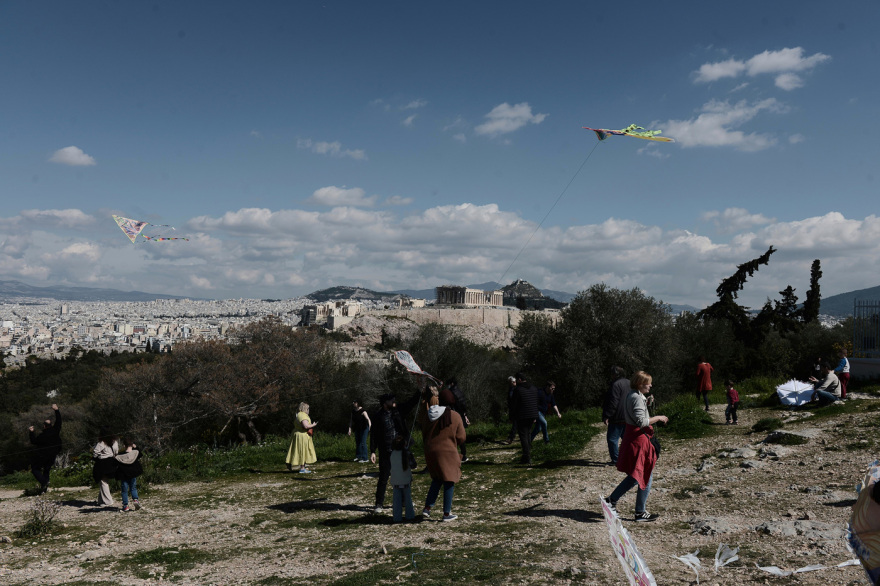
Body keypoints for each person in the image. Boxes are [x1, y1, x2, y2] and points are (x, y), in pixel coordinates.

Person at [604, 371, 668, 522]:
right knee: (645, 473)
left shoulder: (634, 395)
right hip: (638, 441)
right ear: (640, 384)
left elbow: (636, 413)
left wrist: (645, 403)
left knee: (635, 475)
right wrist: (659, 417)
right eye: (648, 383)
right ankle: (640, 512)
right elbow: (642, 422)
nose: (650, 385)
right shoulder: (635, 397)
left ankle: (611, 500)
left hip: (634, 438)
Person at [370, 390, 420, 514]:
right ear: (384, 402)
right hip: (385, 451)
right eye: (391, 399)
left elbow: (410, 404)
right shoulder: (378, 416)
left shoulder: (398, 411)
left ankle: (404, 501)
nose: (393, 401)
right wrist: (372, 451)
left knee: (404, 476)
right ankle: (379, 504)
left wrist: (419, 392)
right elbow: (374, 435)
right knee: (383, 477)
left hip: (400, 451)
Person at [422, 396, 466, 521]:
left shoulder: (427, 415)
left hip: (430, 451)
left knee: (437, 479)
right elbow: (462, 437)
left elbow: (423, 433)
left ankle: (427, 508)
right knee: (449, 480)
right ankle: (446, 514)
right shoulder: (454, 415)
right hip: (447, 451)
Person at [28, 403, 62, 494]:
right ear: (51, 425)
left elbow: (34, 441)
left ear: (44, 426)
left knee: (35, 469)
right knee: (46, 470)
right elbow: (59, 421)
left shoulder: (42, 436)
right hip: (53, 455)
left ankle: (44, 482)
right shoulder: (55, 431)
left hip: (42, 456)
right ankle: (44, 488)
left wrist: (31, 432)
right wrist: (56, 410)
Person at [602, 367, 629, 465]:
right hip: (628, 416)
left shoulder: (615, 385)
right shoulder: (630, 383)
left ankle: (616, 460)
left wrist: (607, 415)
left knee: (612, 439)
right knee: (627, 439)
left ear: (615, 374)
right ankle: (629, 457)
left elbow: (613, 402)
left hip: (617, 417)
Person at [439, 378, 470, 462]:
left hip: (456, 414)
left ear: (451, 383)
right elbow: (463, 404)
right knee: (460, 435)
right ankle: (463, 454)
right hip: (460, 414)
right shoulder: (458, 391)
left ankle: (460, 455)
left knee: (455, 435)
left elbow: (457, 404)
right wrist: (464, 414)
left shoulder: (452, 392)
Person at [511, 372, 539, 465]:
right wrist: (535, 415)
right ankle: (527, 455)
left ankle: (526, 457)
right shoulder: (534, 388)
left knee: (523, 436)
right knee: (528, 434)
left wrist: (512, 416)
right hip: (532, 415)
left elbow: (514, 404)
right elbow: (536, 402)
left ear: (519, 379)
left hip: (522, 415)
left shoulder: (518, 390)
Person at [286, 402, 318, 473]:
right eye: (308, 408)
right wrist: (313, 425)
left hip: (299, 434)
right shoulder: (302, 415)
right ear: (305, 408)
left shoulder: (299, 414)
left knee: (297, 450)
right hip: (302, 435)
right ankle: (302, 468)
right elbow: (306, 426)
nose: (308, 410)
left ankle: (291, 463)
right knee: (302, 450)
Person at [389, 435, 415, 523]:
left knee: (396, 501)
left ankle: (396, 517)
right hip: (406, 481)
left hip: (395, 481)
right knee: (408, 500)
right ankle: (410, 516)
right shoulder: (407, 454)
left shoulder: (392, 454)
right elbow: (414, 465)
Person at [115, 439, 143, 512]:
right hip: (133, 474)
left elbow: (115, 463)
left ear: (124, 446)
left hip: (124, 476)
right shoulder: (135, 453)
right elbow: (140, 454)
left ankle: (125, 506)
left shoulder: (120, 456)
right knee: (133, 488)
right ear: (132, 444)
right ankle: (135, 500)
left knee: (124, 490)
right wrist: (136, 447)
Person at [92, 429, 119, 507]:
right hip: (112, 462)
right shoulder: (115, 442)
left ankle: (108, 501)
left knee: (103, 482)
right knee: (104, 481)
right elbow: (116, 452)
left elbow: (95, 453)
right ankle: (101, 500)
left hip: (103, 463)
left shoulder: (101, 443)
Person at [348, 399, 371, 463]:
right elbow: (351, 421)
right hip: (357, 428)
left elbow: (368, 419)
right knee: (358, 443)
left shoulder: (363, 411)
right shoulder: (353, 411)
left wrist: (370, 426)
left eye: (355, 402)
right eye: (353, 402)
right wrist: (349, 429)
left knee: (363, 442)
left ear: (358, 403)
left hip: (364, 428)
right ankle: (358, 456)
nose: (353, 403)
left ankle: (365, 458)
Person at [503, 376, 517, 444]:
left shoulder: (514, 389)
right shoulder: (512, 389)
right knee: (515, 424)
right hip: (513, 409)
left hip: (515, 409)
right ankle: (511, 437)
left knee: (515, 424)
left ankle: (511, 438)